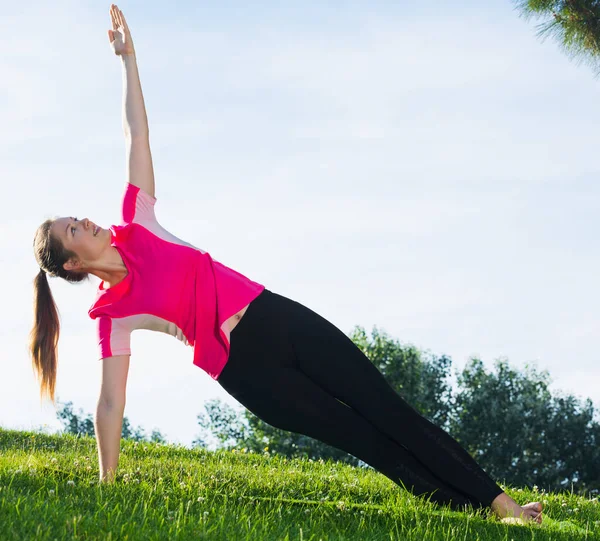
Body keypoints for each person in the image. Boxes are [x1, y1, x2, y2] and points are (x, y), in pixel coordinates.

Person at [29, 4, 543, 526]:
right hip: (245, 371)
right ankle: (484, 516)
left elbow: (137, 136)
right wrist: (106, 484)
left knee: (386, 409)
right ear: (73, 265)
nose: (85, 222)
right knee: (366, 441)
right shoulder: (111, 315)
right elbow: (110, 404)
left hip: (273, 316)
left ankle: (504, 505)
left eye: (77, 218)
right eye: (73, 230)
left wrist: (128, 59)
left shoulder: (137, 220)